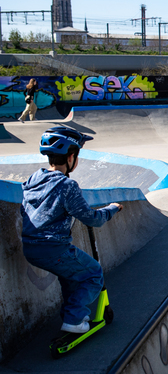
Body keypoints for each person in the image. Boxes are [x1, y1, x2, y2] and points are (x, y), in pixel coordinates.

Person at [21, 126, 122, 333]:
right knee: (93, 274)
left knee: (70, 276)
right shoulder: (67, 186)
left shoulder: (32, 180)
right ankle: (74, 319)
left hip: (31, 249)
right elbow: (91, 219)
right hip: (54, 249)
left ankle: (69, 317)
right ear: (71, 157)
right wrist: (111, 209)